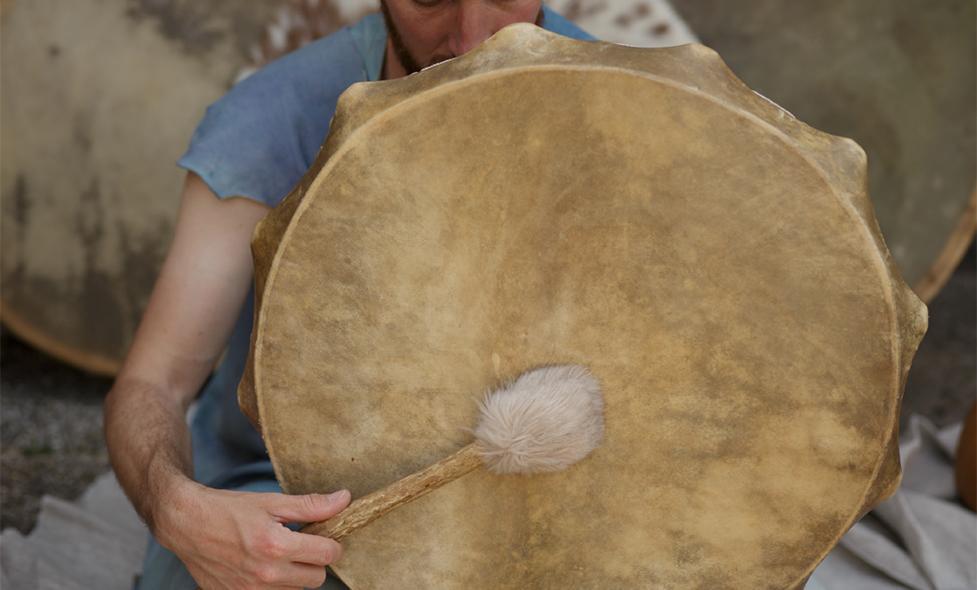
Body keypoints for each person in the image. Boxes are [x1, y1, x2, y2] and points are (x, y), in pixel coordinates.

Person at [103, 1, 595, 588]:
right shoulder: (271, 121)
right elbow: (153, 382)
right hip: (302, 497)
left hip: (551, 484)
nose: (471, 40)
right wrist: (177, 511)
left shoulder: (640, 111)